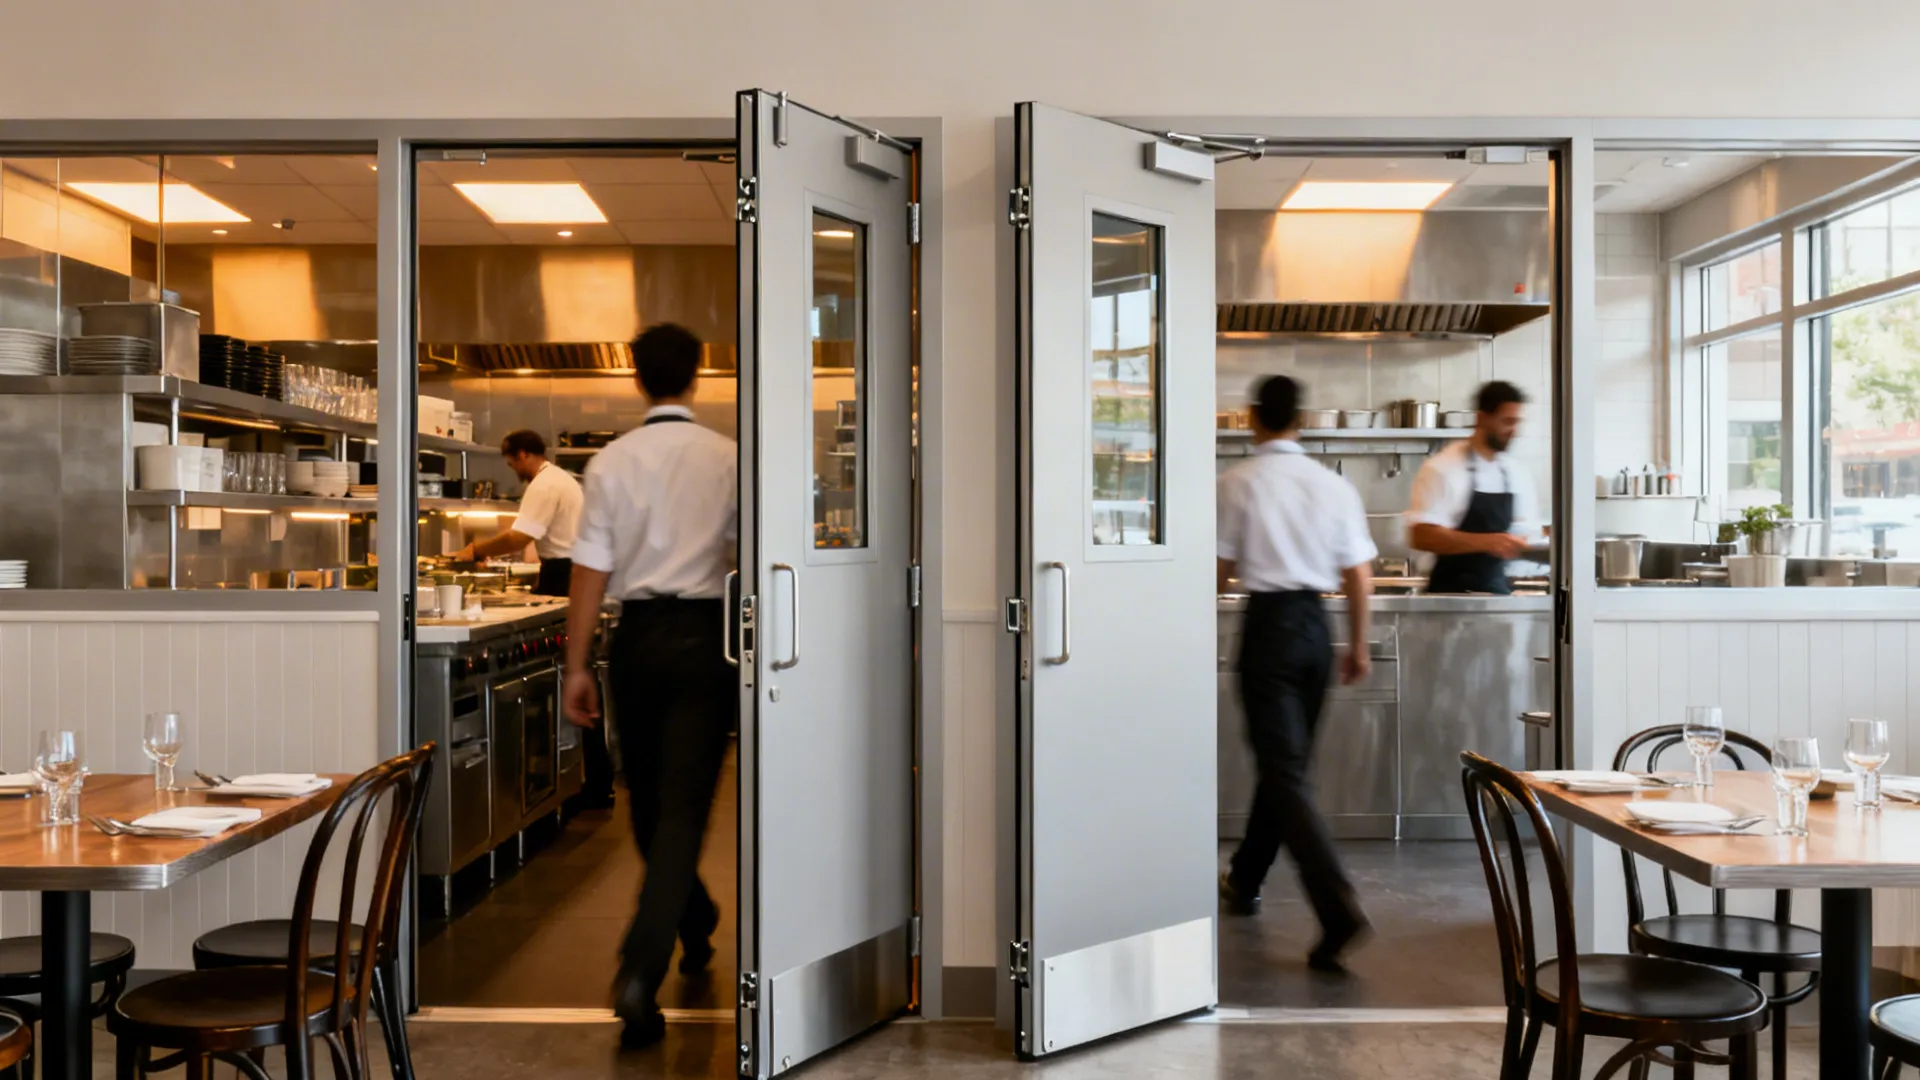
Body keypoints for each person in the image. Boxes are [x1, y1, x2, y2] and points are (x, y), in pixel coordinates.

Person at [561, 323, 737, 1049]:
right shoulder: (728, 457)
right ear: (696, 377)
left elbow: (591, 570)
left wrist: (576, 665)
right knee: (678, 812)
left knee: (653, 807)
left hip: (635, 643)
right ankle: (689, 919)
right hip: (707, 643)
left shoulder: (609, 462)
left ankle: (642, 964)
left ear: (637, 379)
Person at [1216, 375, 1375, 974]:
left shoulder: (1236, 482)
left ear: (1255, 418)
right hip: (1316, 630)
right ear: (1300, 420)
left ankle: (1337, 908)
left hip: (1268, 631)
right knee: (1286, 767)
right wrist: (1355, 643)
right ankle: (1247, 875)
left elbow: (1221, 569)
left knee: (1284, 770)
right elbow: (1360, 574)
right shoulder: (1331, 484)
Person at [1405, 381, 1542, 595]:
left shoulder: (1515, 473)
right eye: (1507, 421)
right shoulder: (1442, 467)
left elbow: (1526, 533)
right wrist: (1488, 542)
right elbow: (1421, 535)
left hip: (1496, 596)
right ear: (1482, 418)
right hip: (1449, 600)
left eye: (1516, 422)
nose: (1513, 431)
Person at [453, 429, 584, 598]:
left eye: (511, 463)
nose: (513, 470)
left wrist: (475, 550)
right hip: (572, 569)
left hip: (562, 572)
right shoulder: (559, 477)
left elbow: (518, 539)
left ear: (522, 455)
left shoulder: (543, 485)